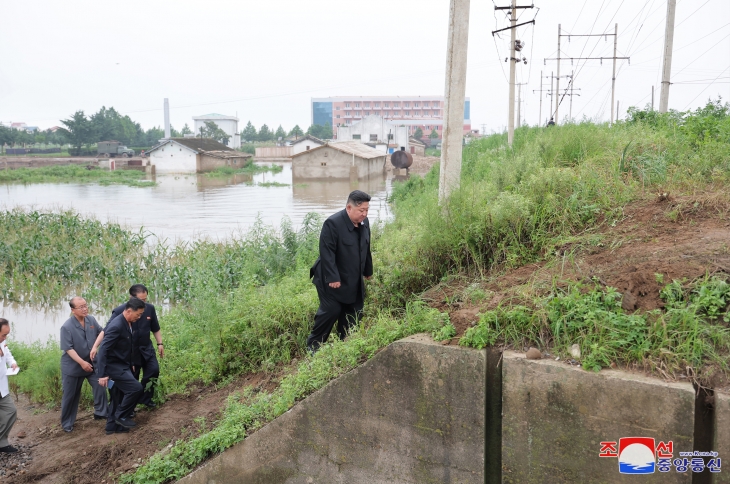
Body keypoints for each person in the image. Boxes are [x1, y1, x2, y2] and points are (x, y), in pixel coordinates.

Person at [307, 190, 373, 353]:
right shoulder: (333, 223)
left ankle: (346, 345)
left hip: (352, 277)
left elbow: (366, 248)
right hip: (329, 278)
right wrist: (332, 277)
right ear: (349, 208)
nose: (364, 214)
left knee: (353, 311)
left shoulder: (365, 223)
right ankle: (313, 348)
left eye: (366, 210)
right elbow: (326, 252)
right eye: (361, 210)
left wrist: (368, 270)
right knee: (332, 310)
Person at [108, 284, 163, 408]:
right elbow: (108, 331)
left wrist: (160, 343)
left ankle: (145, 398)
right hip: (131, 351)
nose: (143, 302)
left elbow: (155, 328)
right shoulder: (120, 311)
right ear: (131, 297)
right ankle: (128, 405)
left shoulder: (149, 309)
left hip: (146, 347)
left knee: (153, 370)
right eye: (141, 300)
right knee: (133, 377)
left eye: (145, 299)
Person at [96, 298, 145, 434]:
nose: (139, 317)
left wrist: (131, 363)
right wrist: (103, 375)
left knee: (117, 395)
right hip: (113, 368)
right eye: (138, 314)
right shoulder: (116, 326)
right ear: (129, 311)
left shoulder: (128, 322)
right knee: (136, 388)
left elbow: (125, 347)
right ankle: (121, 415)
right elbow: (103, 350)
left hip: (123, 365)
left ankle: (112, 426)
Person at [60, 297, 108, 432]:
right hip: (74, 367)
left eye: (85, 305)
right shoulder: (67, 327)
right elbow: (68, 348)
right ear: (73, 310)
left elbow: (102, 332)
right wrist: (82, 363)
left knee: (101, 384)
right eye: (81, 307)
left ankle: (101, 413)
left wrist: (97, 347)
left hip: (92, 363)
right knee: (71, 396)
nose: (85, 309)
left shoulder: (91, 320)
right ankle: (67, 423)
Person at [0, 319, 18, 453]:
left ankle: (2, 441)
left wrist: (12, 363)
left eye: (6, 335)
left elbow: (8, 355)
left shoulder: (2, 342)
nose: (5, 338)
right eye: (3, 335)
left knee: (11, 411)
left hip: (2, 388)